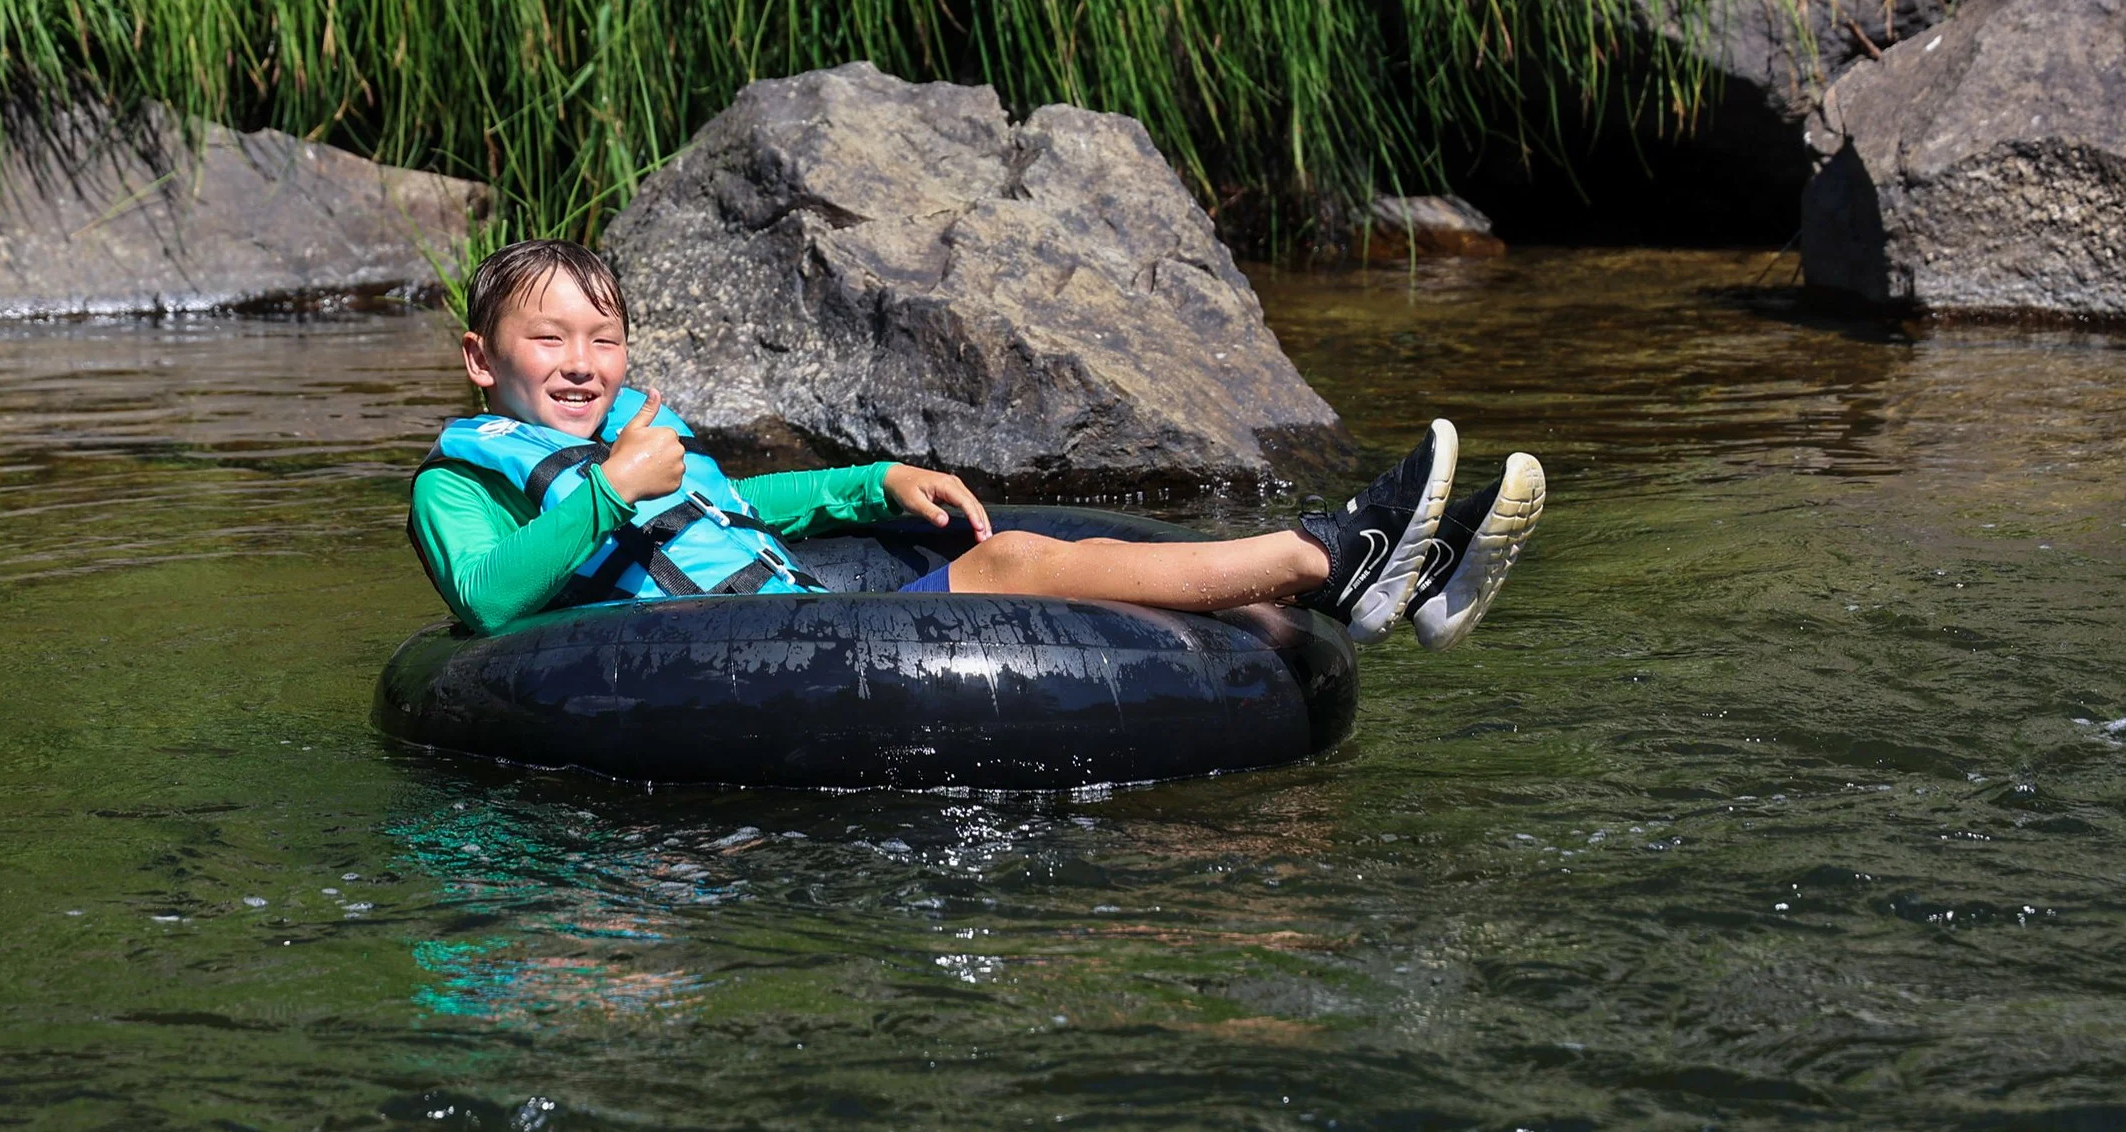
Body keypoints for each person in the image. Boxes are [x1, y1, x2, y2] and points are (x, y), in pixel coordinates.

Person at [407, 239, 1544, 651]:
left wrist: (871, 478)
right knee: (1010, 563)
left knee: (1067, 571)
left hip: (788, 614)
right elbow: (489, 603)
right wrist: (605, 492)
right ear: (480, 356)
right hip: (710, 659)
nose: (580, 361)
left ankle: (1409, 588)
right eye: (546, 336)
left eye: (602, 336)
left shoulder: (637, 432)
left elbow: (740, 507)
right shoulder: (458, 483)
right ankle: (1326, 555)